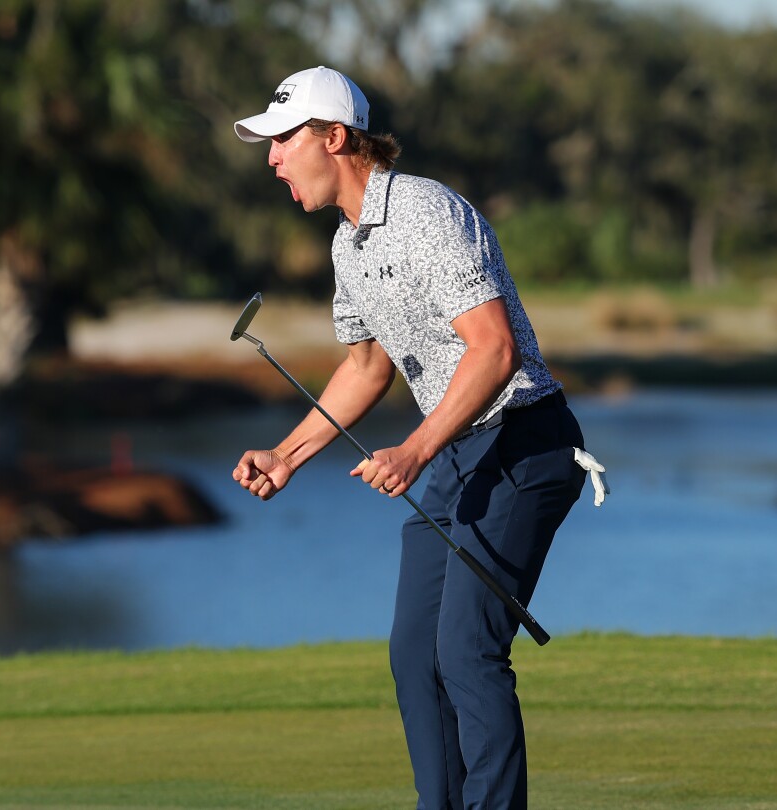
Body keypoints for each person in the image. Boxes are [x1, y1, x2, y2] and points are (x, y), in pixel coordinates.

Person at [230, 66, 597, 810]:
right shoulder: (348, 247)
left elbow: (495, 350)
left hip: (525, 440)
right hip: (460, 451)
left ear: (335, 138)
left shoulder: (426, 212)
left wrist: (416, 449)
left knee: (466, 649)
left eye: (282, 140)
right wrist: (288, 455)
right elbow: (366, 368)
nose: (271, 158)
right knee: (413, 655)